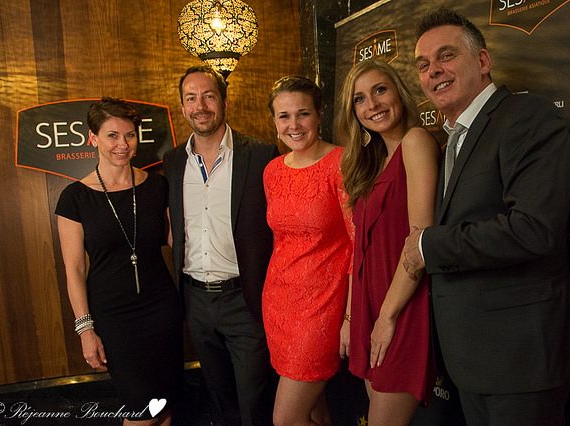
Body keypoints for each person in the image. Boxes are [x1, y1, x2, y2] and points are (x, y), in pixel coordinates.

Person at [403, 7, 570, 425]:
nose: (434, 71)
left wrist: (428, 244)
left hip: (521, 361)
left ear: (482, 62)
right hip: (472, 360)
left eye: (446, 56)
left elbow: (533, 230)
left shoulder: (526, 117)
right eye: (424, 65)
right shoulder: (452, 140)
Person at [56, 98, 183, 426]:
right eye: (112, 135)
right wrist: (86, 330)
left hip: (162, 310)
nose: (122, 144)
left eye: (129, 135)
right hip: (114, 319)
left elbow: (177, 241)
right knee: (142, 413)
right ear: (93, 138)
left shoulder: (157, 185)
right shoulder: (75, 197)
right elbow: (73, 268)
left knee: (165, 407)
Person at [163, 65, 279, 426]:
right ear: (182, 108)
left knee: (255, 398)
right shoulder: (172, 161)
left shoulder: (260, 154)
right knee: (220, 397)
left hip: (245, 298)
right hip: (195, 300)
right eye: (191, 98)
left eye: (208, 96)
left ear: (224, 101)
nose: (201, 105)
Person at [335, 59, 440, 426]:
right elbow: (358, 251)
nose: (372, 105)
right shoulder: (371, 162)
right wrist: (352, 317)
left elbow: (419, 242)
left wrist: (388, 316)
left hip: (400, 307)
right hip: (370, 307)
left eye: (380, 90)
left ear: (398, 92)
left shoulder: (415, 142)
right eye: (360, 99)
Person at [262, 76, 354, 426]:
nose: (293, 125)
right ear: (274, 122)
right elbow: (279, 239)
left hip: (323, 307)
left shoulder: (342, 162)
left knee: (286, 418)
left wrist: (350, 317)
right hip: (278, 302)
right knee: (315, 411)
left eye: (303, 114)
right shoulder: (272, 171)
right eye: (284, 116)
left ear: (319, 114)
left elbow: (359, 243)